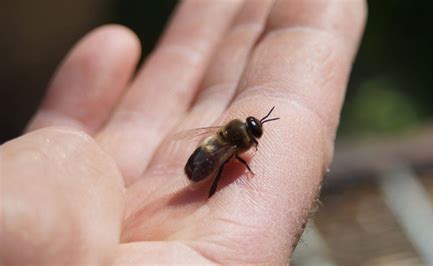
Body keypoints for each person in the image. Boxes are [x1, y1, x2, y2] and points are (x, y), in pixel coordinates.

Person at [0, 0, 366, 264]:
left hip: (205, 151)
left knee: (221, 156)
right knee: (221, 161)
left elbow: (223, 142)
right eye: (255, 129)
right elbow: (230, 152)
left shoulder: (232, 132)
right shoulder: (239, 143)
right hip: (201, 164)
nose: (257, 132)